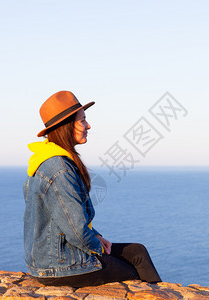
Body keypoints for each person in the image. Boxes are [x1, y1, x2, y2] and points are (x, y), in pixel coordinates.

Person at [23, 91, 161, 287]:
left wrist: (97, 236)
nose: (88, 126)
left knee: (137, 251)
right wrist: (97, 248)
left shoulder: (46, 160)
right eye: (83, 121)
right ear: (66, 126)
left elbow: (64, 217)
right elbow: (77, 230)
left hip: (53, 258)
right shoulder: (59, 169)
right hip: (59, 265)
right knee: (132, 275)